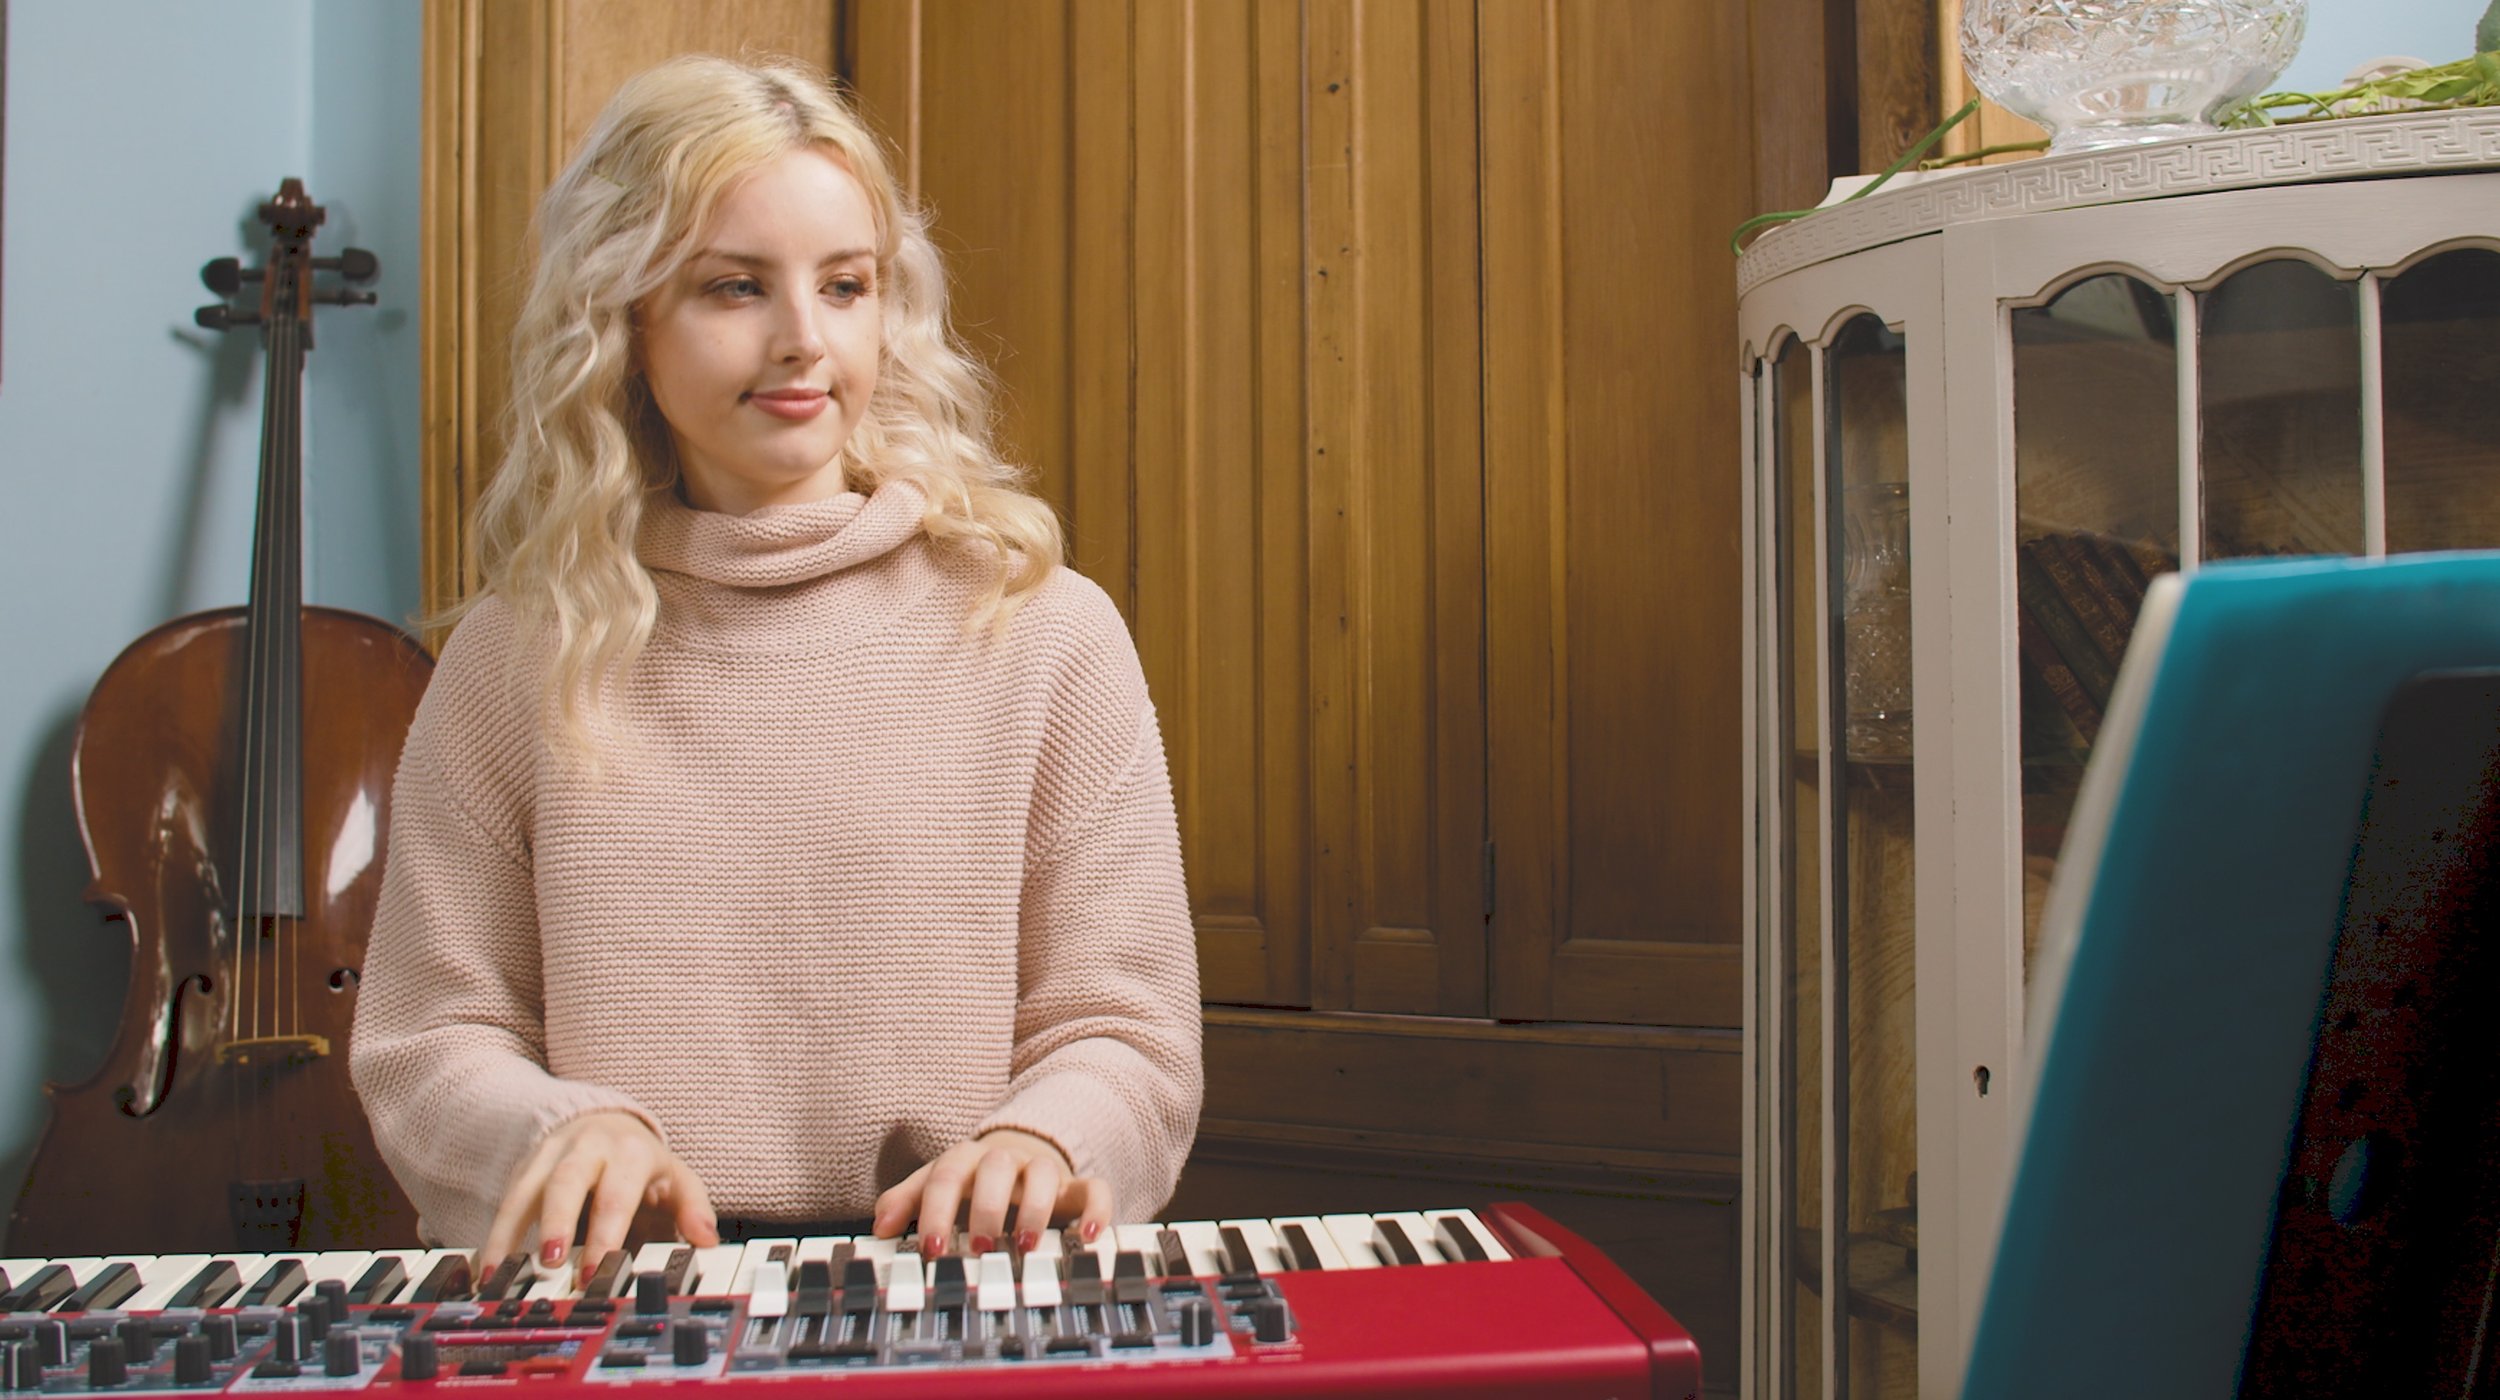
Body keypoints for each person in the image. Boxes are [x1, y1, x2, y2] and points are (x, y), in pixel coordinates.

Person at [349, 54, 1202, 1278]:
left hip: (961, 1279)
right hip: (622, 1289)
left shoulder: (1043, 630)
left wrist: (1041, 1137)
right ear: (623, 319)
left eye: (845, 285)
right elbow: (431, 1039)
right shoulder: (513, 653)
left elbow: (1132, 1034)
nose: (804, 339)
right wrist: (560, 1130)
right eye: (734, 286)